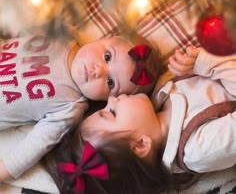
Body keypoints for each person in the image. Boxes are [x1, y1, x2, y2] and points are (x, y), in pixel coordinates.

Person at [46, 46, 236, 194]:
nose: (112, 99)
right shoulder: (197, 150)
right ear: (141, 144)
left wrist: (187, 61)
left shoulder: (160, 95)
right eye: (112, 112)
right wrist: (206, 63)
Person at [0, 27, 164, 184]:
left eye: (110, 82)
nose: (98, 70)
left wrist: (3, 172)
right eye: (107, 57)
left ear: (106, 100)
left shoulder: (71, 107)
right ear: (104, 39)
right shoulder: (63, 34)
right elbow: (21, 23)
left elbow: (34, 145)